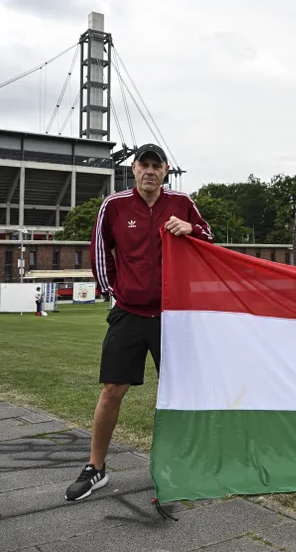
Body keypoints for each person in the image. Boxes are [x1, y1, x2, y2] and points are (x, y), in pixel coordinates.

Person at [65, 143, 214, 502]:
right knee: (112, 390)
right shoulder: (113, 205)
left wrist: (190, 228)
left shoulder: (181, 203)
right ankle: (96, 468)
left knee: (181, 392)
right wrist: (112, 290)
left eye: (156, 165)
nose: (149, 171)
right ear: (133, 170)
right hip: (130, 312)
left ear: (166, 171)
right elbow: (100, 249)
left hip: (173, 314)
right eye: (143, 165)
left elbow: (209, 238)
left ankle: (188, 461)